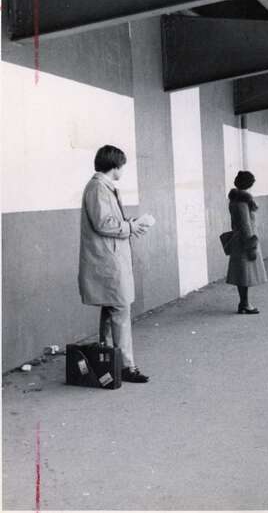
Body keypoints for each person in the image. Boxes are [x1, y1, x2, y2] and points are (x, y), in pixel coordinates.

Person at [78, 145, 153, 383]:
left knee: (112, 310)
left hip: (109, 258)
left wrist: (131, 223)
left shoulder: (102, 187)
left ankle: (109, 360)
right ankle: (126, 366)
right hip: (108, 261)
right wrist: (131, 227)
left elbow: (109, 221)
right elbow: (104, 224)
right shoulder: (99, 188)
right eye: (123, 165)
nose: (124, 170)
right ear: (115, 165)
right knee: (120, 309)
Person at [226, 170, 267, 314]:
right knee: (245, 274)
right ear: (248, 184)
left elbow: (235, 223)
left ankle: (243, 303)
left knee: (242, 274)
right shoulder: (243, 202)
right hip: (245, 241)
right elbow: (246, 224)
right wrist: (251, 244)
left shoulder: (234, 200)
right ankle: (245, 304)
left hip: (238, 239)